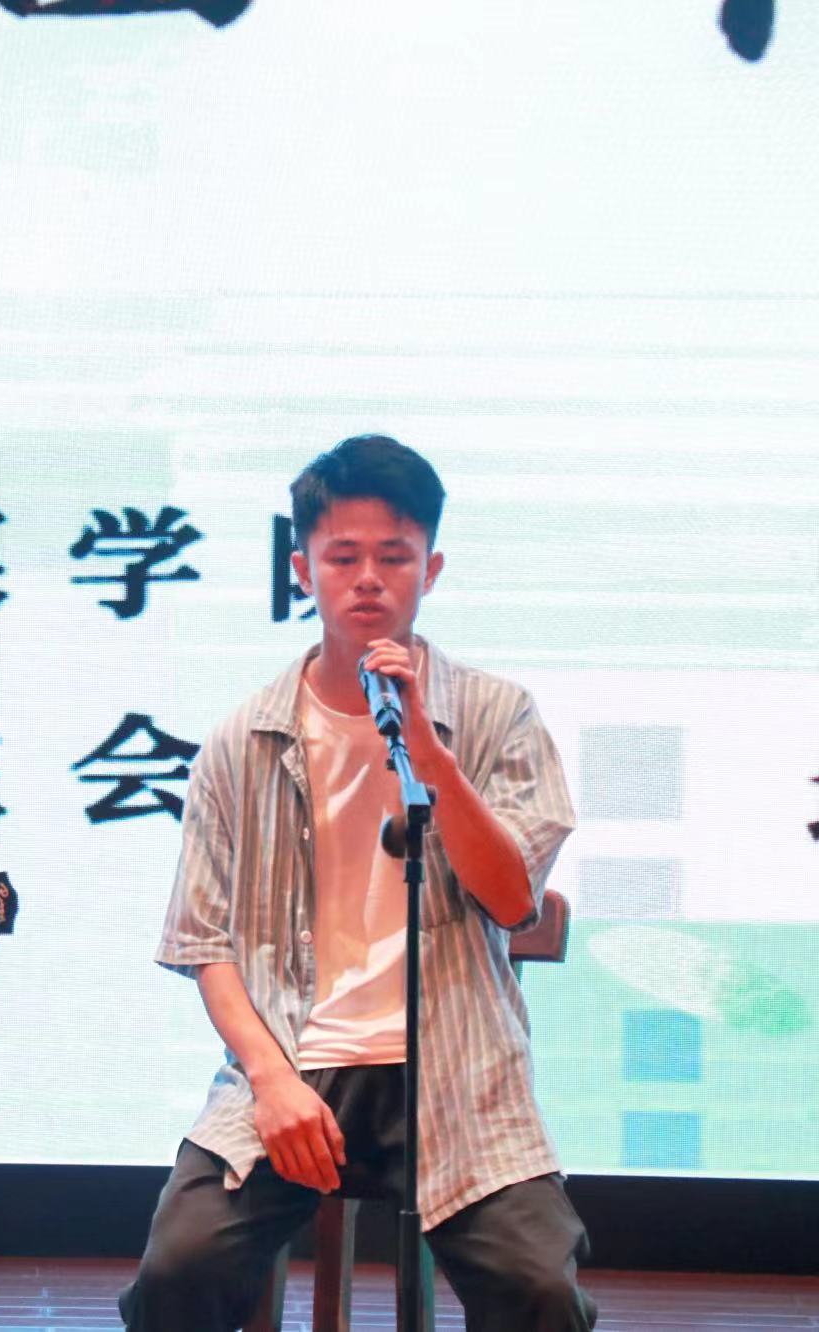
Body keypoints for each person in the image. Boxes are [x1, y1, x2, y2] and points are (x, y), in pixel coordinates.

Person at [119, 436, 596, 1331]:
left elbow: (511, 899)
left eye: (395, 556)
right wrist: (272, 1082)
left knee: (540, 1294)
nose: (369, 579)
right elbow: (203, 944)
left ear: (432, 569)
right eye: (343, 557)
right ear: (302, 569)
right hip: (292, 1066)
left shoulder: (499, 715)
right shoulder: (241, 740)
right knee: (179, 1273)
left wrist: (430, 755)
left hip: (460, 1072)